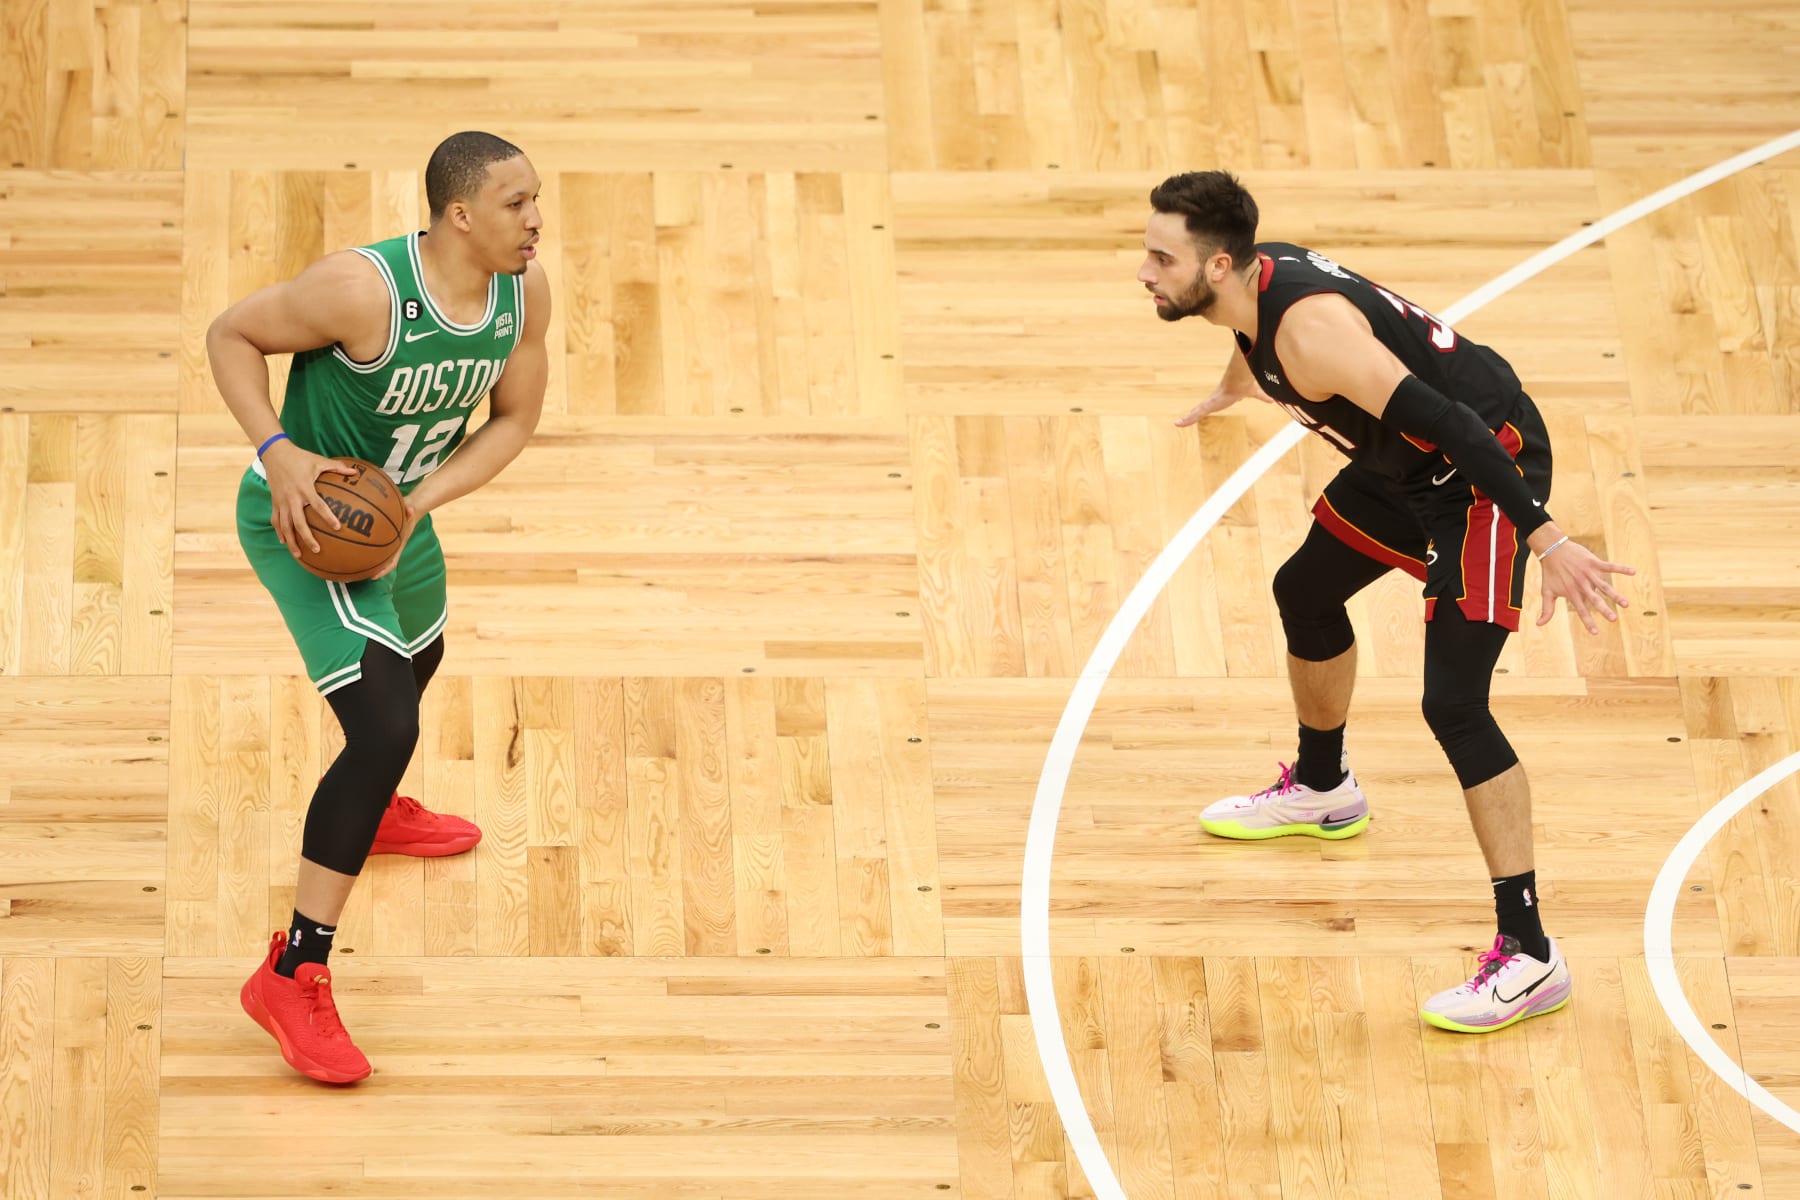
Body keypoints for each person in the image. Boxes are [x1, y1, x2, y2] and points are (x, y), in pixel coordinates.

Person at [1139, 170, 1634, 1034]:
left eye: (1160, 257)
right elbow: (1256, 344)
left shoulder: (1313, 337)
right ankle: (1326, 788)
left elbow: (1457, 428)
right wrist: (1237, 385)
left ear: (1217, 265)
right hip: (1401, 470)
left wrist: (1546, 539)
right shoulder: (1253, 291)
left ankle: (1530, 954)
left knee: (1453, 702)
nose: (1143, 271)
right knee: (1306, 589)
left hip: (1481, 478)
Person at [206, 131, 549, 1081]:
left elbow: (515, 419)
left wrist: (416, 509)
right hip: (313, 522)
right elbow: (229, 334)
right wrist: (279, 451)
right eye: (516, 205)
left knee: (423, 657)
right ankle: (293, 971)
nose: (535, 221)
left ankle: (374, 812)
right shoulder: (363, 292)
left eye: (537, 200)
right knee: (386, 721)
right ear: (460, 215)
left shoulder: (523, 293)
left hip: (394, 513)